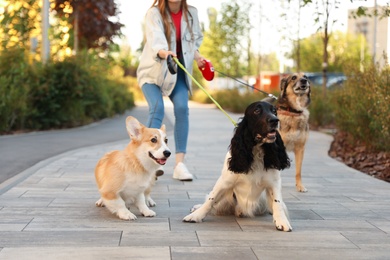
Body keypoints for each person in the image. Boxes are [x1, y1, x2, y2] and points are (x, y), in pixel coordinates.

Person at [137, 0, 207, 181]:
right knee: (157, 108)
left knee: (182, 109)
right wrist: (164, 52)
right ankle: (148, 162)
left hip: (178, 72)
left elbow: (193, 43)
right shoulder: (154, 13)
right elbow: (155, 39)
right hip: (153, 72)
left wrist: (199, 58)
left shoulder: (192, 13)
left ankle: (179, 165)